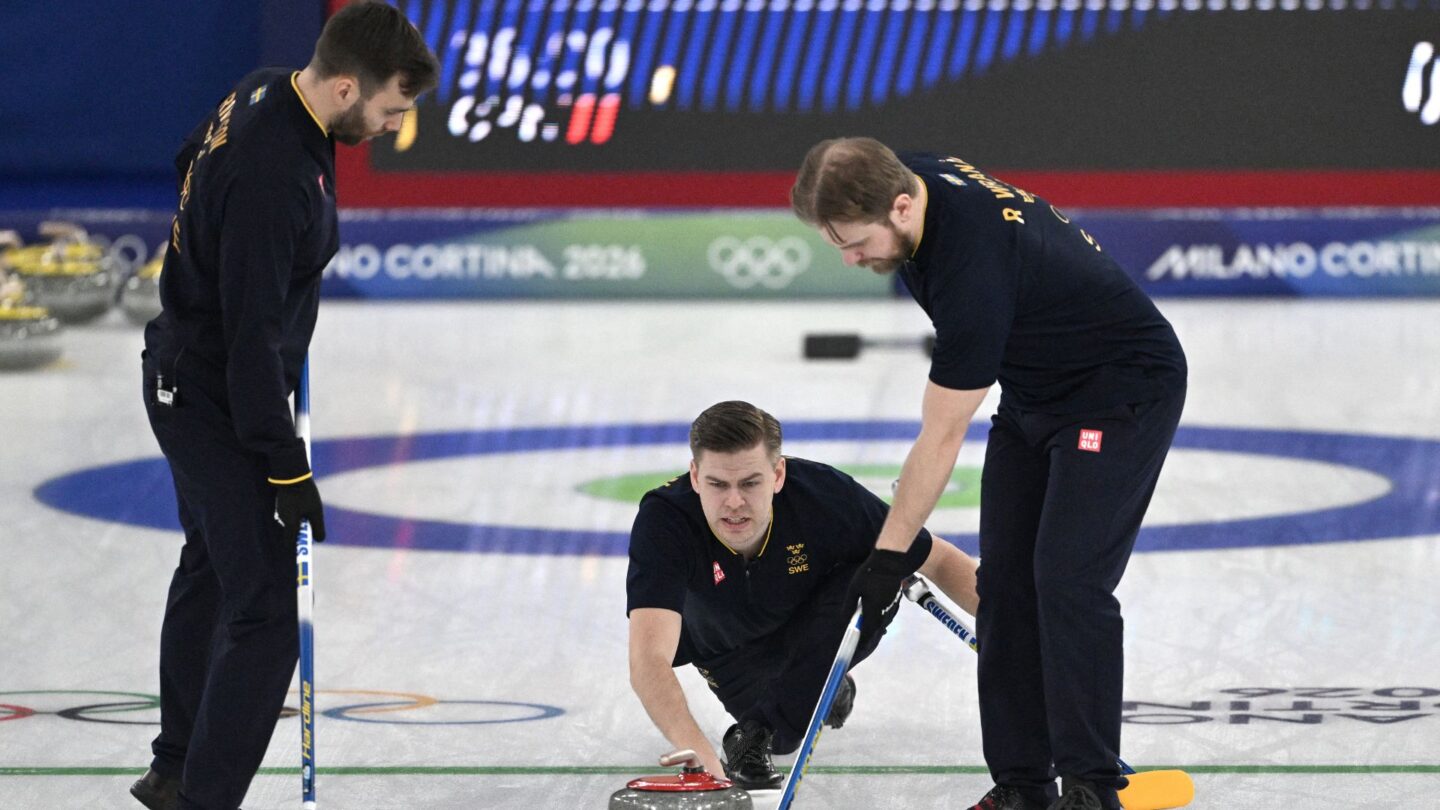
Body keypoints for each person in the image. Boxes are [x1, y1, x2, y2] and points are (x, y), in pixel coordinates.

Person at [791, 138, 1187, 810]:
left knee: (1066, 580)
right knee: (1003, 587)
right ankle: (1022, 787)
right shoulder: (908, 177)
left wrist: (888, 557)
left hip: (1120, 392)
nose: (850, 259)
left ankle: (1091, 787)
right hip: (1034, 392)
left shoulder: (969, 267)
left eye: (855, 243)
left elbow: (942, 434)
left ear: (902, 206)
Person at [132, 5, 437, 809]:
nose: (394, 125)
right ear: (347, 88)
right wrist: (286, 469)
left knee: (210, 565)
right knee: (266, 609)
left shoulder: (269, 89)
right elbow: (250, 342)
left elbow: (187, 159)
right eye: (392, 108)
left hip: (194, 369)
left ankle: (175, 768)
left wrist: (208, 247)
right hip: (209, 394)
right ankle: (202, 797)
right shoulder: (275, 176)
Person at [626, 400, 980, 789]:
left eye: (750, 483)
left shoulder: (821, 494)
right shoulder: (665, 521)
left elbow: (938, 560)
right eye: (717, 484)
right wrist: (708, 771)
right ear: (695, 477)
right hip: (729, 653)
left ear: (778, 474)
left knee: (881, 572)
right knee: (783, 739)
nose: (734, 502)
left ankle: (799, 694)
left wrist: (1019, 630)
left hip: (814, 622)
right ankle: (821, 685)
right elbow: (649, 660)